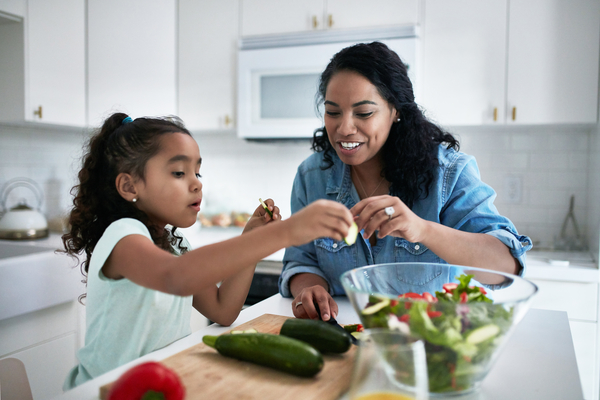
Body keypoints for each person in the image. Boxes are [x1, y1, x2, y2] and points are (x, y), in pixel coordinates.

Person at [61, 113, 353, 389]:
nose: (196, 184)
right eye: (179, 172)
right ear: (129, 185)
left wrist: (252, 238)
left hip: (157, 382)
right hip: (102, 390)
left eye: (198, 172)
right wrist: (286, 231)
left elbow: (223, 309)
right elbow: (175, 277)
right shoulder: (123, 235)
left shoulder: (176, 245)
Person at [279, 42, 533, 322]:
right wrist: (311, 287)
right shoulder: (311, 176)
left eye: (363, 113)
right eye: (333, 112)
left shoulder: (449, 173)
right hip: (343, 339)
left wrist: (423, 230)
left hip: (430, 342)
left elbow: (505, 267)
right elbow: (301, 260)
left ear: (396, 111)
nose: (344, 128)